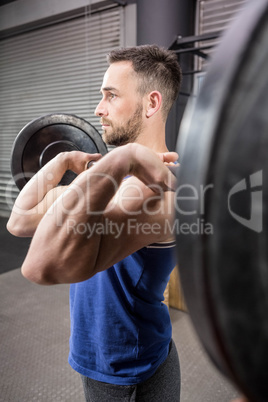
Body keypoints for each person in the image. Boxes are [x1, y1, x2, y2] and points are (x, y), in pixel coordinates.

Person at [7, 45, 182, 401]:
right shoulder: (107, 178)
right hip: (100, 356)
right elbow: (20, 220)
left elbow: (40, 266)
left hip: (126, 369)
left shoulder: (156, 192)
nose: (98, 109)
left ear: (151, 104)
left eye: (111, 96)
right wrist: (63, 160)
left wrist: (123, 160)